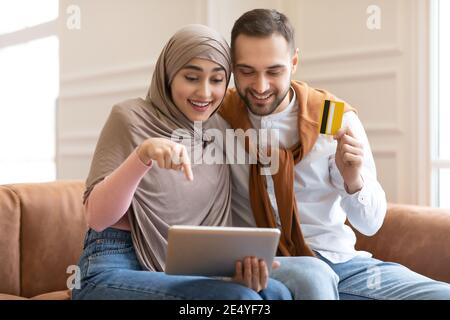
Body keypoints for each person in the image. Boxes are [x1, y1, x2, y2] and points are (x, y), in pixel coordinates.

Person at [210, 9, 450, 300]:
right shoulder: (219, 117)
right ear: (233, 67)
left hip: (342, 264)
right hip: (268, 266)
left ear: (294, 62)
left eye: (274, 71)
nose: (260, 87)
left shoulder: (331, 115)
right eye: (247, 72)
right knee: (313, 278)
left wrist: (354, 179)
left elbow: (371, 224)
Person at [71, 24, 292, 300]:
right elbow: (97, 217)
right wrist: (143, 156)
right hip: (111, 265)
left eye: (217, 80)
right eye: (191, 77)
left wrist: (233, 274)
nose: (204, 92)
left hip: (184, 271)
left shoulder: (217, 130)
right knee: (239, 300)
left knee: (278, 294)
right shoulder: (129, 117)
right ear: (168, 75)